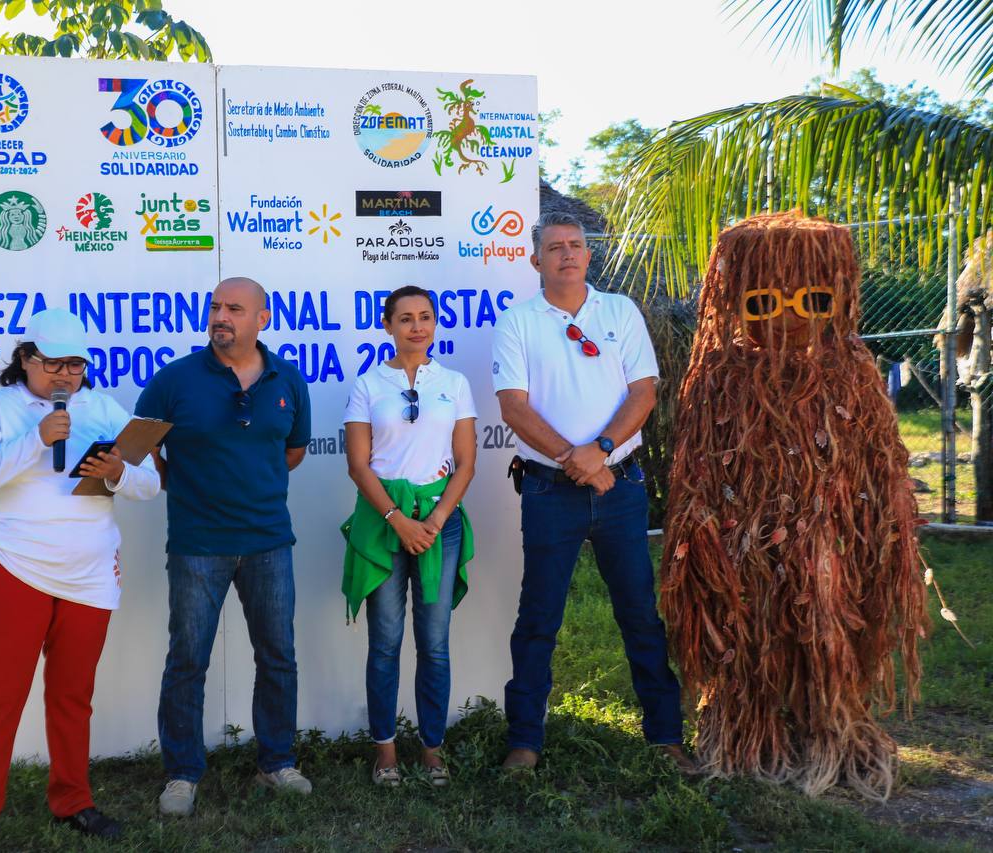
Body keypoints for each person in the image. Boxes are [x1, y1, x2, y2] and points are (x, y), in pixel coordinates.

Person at [0, 308, 161, 852]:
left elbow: (149, 485)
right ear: (26, 359)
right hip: (13, 564)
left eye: (76, 365)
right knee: (0, 694)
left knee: (72, 695)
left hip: (89, 572)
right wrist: (36, 440)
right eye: (55, 364)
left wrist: (118, 472)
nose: (67, 376)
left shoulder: (102, 407)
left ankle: (74, 801)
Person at [490, 212, 694, 774]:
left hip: (619, 487)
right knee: (539, 619)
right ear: (535, 260)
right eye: (554, 247)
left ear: (588, 255)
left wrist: (599, 451)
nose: (567, 254)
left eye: (575, 245)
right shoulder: (517, 323)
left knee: (639, 615)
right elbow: (514, 406)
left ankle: (666, 737)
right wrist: (573, 460)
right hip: (550, 491)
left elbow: (644, 392)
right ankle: (525, 742)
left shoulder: (620, 312)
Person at [136, 277, 313, 817]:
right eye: (215, 307)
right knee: (187, 660)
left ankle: (276, 762)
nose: (220, 317)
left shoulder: (289, 379)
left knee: (278, 656)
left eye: (234, 308)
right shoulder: (173, 381)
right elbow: (141, 453)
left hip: (268, 543)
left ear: (262, 317)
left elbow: (293, 451)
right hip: (197, 544)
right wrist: (191, 486)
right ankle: (183, 773)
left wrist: (247, 487)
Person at [341, 285, 478, 787]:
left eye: (425, 317)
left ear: (435, 324)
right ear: (388, 326)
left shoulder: (455, 382)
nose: (416, 327)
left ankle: (433, 749)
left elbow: (466, 463)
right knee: (386, 643)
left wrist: (436, 520)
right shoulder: (368, 385)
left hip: (439, 526)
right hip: (384, 524)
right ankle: (385, 751)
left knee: (435, 644)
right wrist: (399, 520)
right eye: (405, 318)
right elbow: (359, 465)